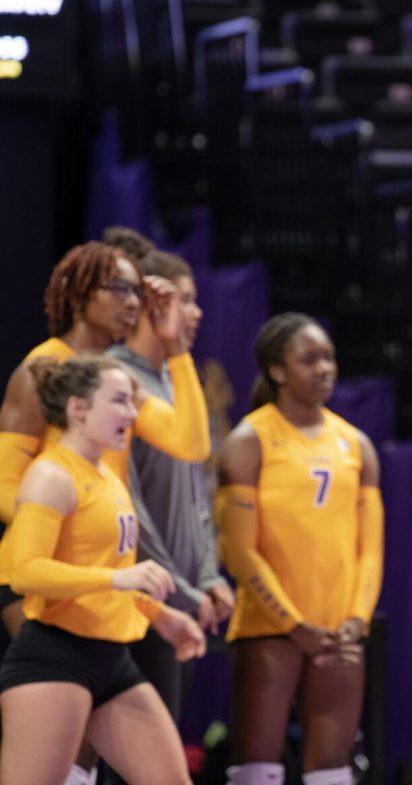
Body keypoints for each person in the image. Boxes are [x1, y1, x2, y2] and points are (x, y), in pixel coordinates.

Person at [0, 355, 205, 785]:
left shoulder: (108, 476)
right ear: (78, 409)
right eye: (119, 401)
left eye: (132, 402)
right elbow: (23, 571)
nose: (132, 414)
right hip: (54, 656)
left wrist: (160, 616)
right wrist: (116, 579)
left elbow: (104, 570)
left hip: (112, 657)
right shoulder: (51, 476)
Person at [0, 242, 210, 637]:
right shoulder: (41, 367)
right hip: (37, 573)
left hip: (100, 573)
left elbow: (191, 444)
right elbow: (4, 485)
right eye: (118, 288)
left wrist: (175, 346)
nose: (132, 301)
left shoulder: (115, 378)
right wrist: (67, 517)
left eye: (136, 291)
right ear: (79, 294)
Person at [217, 312, 383, 785]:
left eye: (329, 357)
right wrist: (293, 625)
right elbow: (240, 552)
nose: (325, 368)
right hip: (269, 631)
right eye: (308, 359)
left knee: (332, 771)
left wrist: (356, 620)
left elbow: (369, 550)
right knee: (256, 770)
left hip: (338, 632)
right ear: (276, 370)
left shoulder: (356, 445)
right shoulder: (249, 441)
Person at [108, 248, 233, 726]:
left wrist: (206, 576)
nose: (196, 312)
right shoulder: (118, 381)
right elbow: (127, 505)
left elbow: (200, 495)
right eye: (184, 299)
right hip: (142, 595)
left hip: (182, 598)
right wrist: (176, 590)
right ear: (150, 306)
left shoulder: (177, 380)